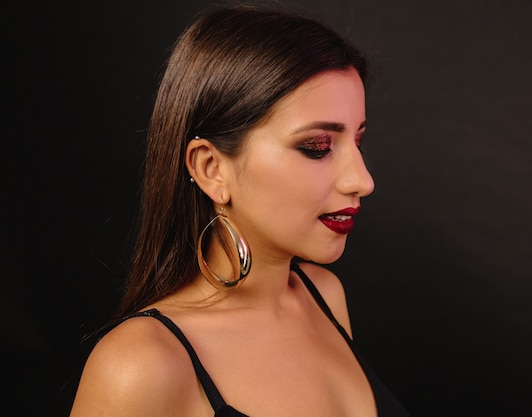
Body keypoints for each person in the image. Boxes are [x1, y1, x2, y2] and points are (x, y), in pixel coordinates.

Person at [69, 3, 410, 417]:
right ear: (211, 169)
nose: (362, 180)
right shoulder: (141, 364)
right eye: (317, 147)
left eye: (357, 141)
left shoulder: (324, 295)